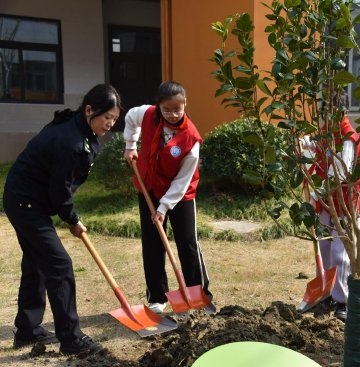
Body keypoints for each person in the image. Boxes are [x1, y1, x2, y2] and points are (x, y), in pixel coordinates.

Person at [3, 84, 122, 354]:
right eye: (107, 118)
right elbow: (61, 190)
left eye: (115, 119)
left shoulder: (81, 129)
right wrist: (73, 219)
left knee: (37, 262)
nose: (110, 124)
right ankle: (71, 338)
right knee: (59, 264)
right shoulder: (70, 140)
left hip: (27, 198)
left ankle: (28, 330)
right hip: (25, 202)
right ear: (89, 110)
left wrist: (68, 215)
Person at [123, 81, 214, 314]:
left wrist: (163, 208)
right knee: (152, 243)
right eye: (167, 110)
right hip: (148, 188)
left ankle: (199, 293)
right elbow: (131, 117)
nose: (173, 114)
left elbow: (182, 181)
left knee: (187, 243)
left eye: (178, 109)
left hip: (180, 194)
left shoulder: (191, 139)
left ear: (185, 104)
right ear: (159, 106)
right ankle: (156, 295)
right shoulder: (147, 114)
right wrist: (130, 145)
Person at [301, 110, 360, 321]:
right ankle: (328, 292)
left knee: (340, 253)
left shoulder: (348, 139)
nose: (323, 120)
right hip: (328, 203)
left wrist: (314, 194)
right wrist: (305, 144)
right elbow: (322, 150)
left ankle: (343, 300)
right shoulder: (327, 133)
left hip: (346, 202)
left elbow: (341, 171)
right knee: (325, 246)